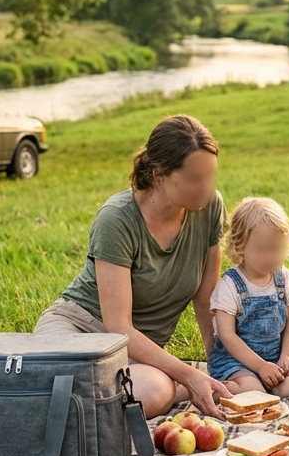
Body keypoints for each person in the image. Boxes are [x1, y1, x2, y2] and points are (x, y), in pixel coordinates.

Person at [34, 114, 232, 418]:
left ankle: (158, 387)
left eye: (211, 176)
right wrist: (188, 374)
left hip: (137, 354)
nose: (205, 187)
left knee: (152, 389)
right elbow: (118, 326)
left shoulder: (209, 208)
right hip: (79, 330)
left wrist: (218, 366)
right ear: (158, 175)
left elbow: (206, 299)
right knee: (148, 389)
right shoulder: (116, 219)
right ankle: (173, 385)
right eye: (194, 179)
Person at [206, 197, 289, 396]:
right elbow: (227, 336)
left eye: (276, 249)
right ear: (240, 245)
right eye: (262, 249)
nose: (270, 257)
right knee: (252, 391)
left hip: (273, 359)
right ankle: (210, 388)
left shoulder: (284, 279)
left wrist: (286, 357)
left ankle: (264, 385)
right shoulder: (230, 286)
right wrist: (260, 366)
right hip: (235, 363)